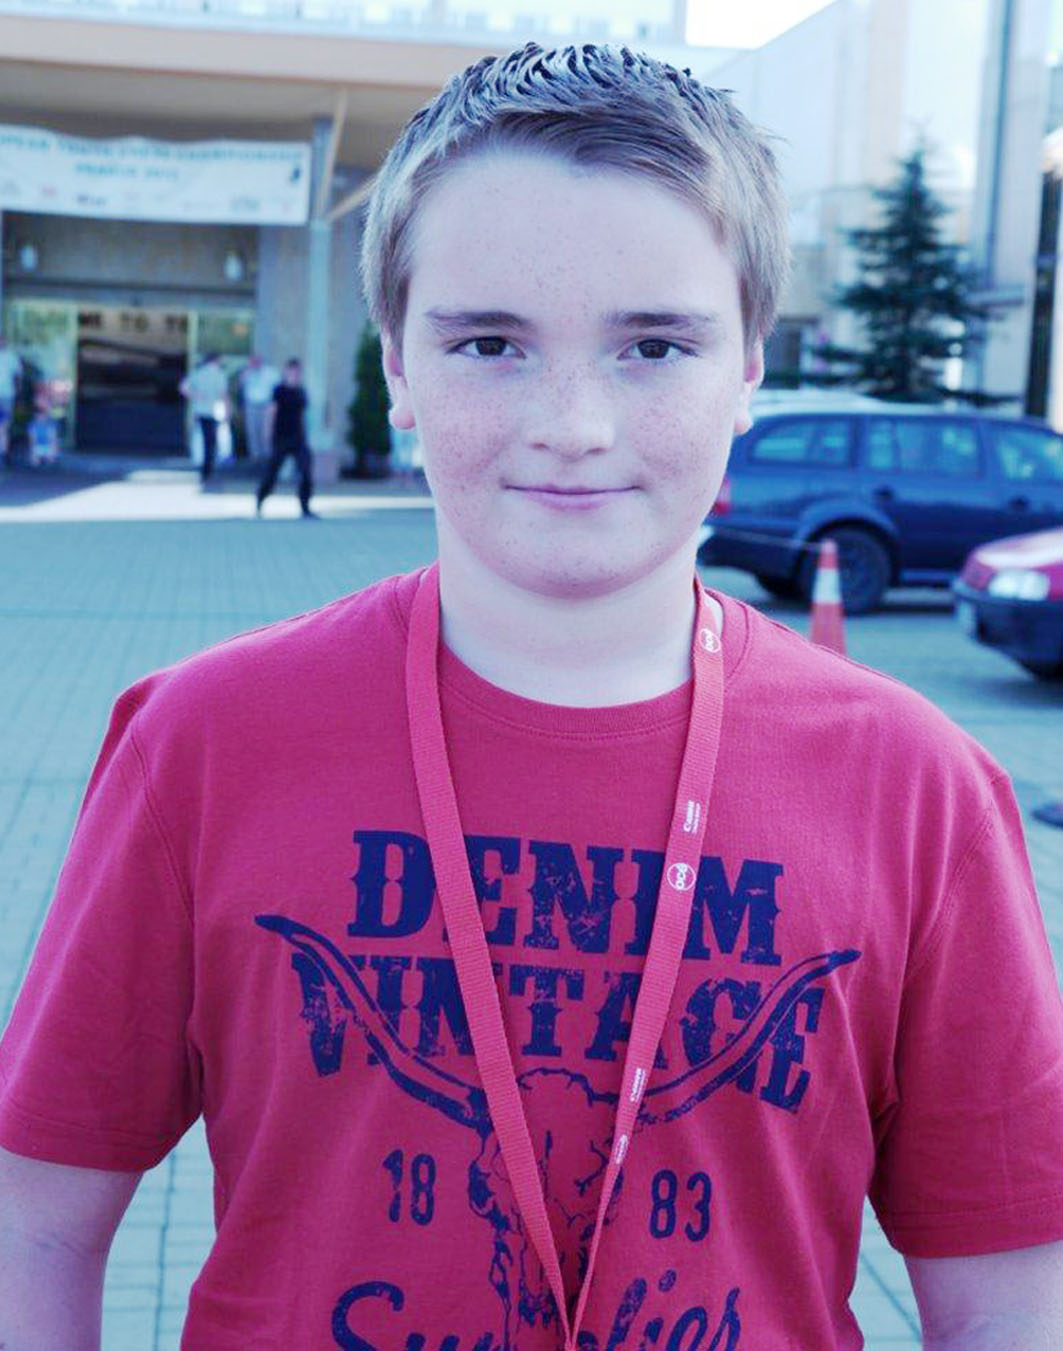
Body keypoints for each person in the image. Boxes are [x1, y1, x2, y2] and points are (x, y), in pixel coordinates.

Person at [1, 43, 1062, 1351]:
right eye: (490, 342)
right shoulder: (203, 742)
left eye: (653, 344)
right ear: (397, 364)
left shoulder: (917, 790)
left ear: (748, 366)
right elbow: (33, 1220)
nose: (572, 424)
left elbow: (1004, 1296)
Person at [254, 356, 316, 518]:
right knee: (271, 473)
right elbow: (271, 412)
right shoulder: (278, 390)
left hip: (298, 438)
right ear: (287, 372)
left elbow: (305, 416)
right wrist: (267, 434)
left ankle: (305, 507)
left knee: (305, 471)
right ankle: (260, 500)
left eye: (298, 372)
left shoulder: (301, 392)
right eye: (292, 372)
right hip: (280, 438)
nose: (295, 375)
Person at [180, 352, 229, 483]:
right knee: (211, 441)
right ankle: (208, 468)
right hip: (214, 411)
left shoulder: (198, 373)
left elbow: (184, 388)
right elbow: (223, 394)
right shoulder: (219, 375)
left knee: (202, 438)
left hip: (200, 411)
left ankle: (202, 465)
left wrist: (196, 396)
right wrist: (227, 410)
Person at [239, 351, 279, 461]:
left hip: (267, 406)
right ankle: (254, 457)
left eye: (257, 360)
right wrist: (247, 372)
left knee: (266, 433)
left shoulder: (271, 373)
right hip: (251, 406)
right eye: (252, 361)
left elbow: (277, 390)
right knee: (252, 432)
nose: (254, 363)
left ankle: (268, 458)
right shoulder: (247, 373)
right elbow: (241, 386)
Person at [0, 334, 23, 464]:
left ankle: (3, 453)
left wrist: (18, 392)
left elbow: (18, 376)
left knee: (4, 425)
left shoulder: (11, 357)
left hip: (7, 395)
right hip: (7, 395)